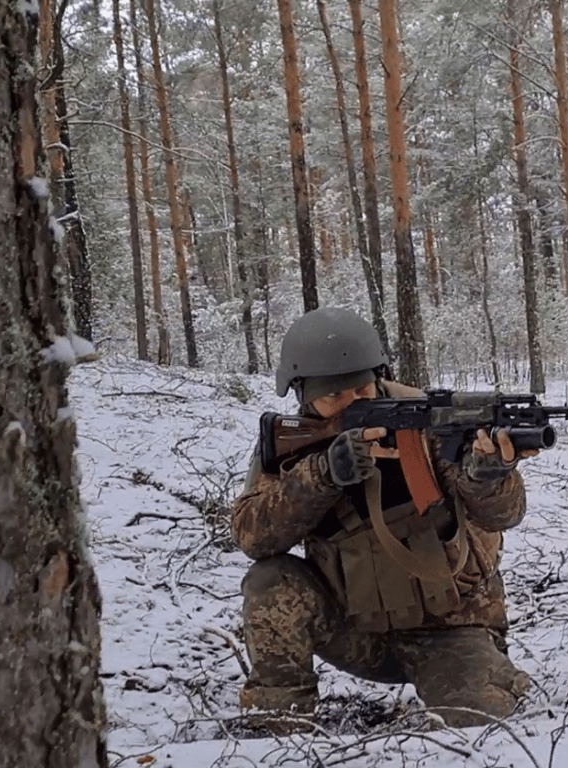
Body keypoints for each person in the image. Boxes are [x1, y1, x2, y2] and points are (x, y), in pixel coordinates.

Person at [230, 307, 538, 730]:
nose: (351, 405)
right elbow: (253, 537)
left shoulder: (427, 421)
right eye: (332, 397)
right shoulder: (295, 442)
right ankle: (279, 723)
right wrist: (322, 475)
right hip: (356, 630)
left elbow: (504, 514)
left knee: (482, 723)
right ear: (302, 395)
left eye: (361, 390)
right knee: (269, 580)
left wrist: (488, 473)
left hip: (448, 626)